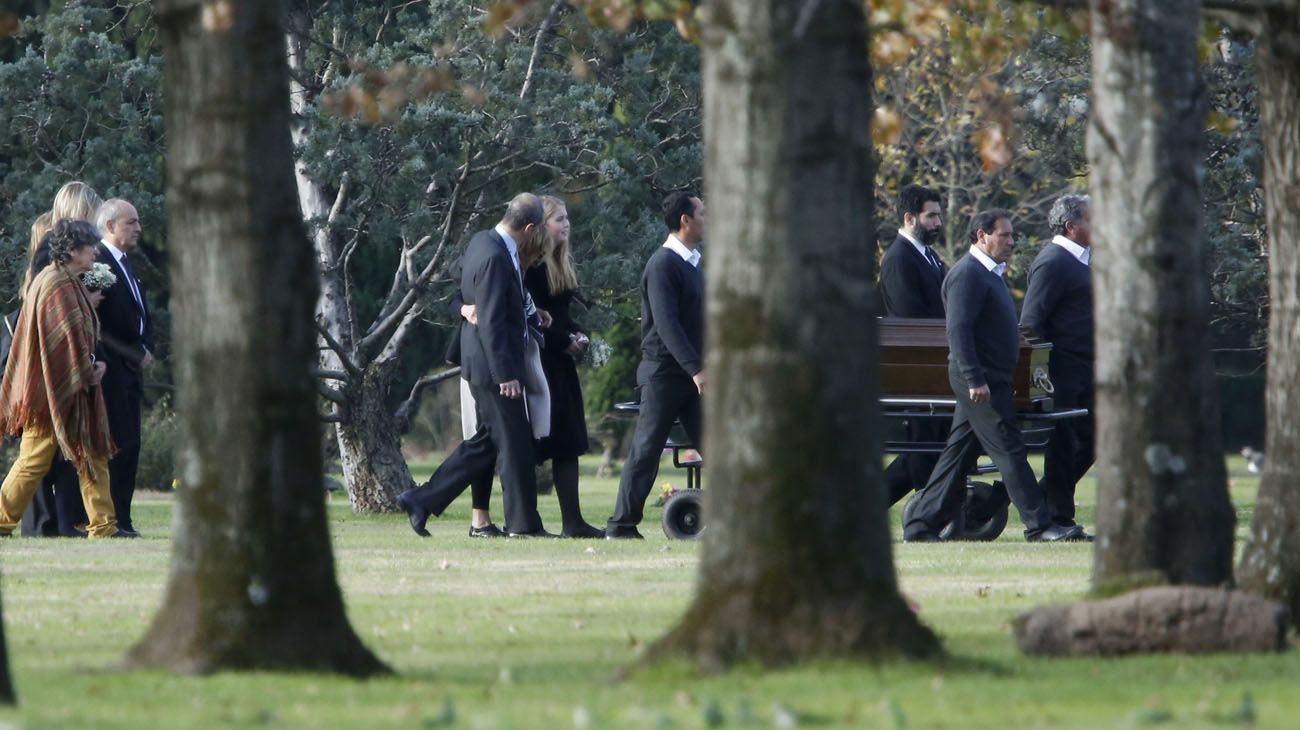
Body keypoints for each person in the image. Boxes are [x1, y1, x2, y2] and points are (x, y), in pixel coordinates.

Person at [902, 209, 1084, 543]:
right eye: (1005, 235)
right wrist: (974, 380)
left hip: (992, 379)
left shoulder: (989, 273)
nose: (1012, 242)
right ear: (981, 236)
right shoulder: (968, 274)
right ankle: (1040, 526)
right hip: (980, 381)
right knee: (1010, 450)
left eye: (1012, 235)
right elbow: (958, 333)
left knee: (957, 456)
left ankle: (920, 525)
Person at [397, 193, 551, 538]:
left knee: (487, 442)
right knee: (515, 447)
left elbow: (460, 280)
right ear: (528, 228)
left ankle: (421, 499)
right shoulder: (497, 256)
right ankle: (523, 526)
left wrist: (467, 306)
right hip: (492, 367)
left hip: (478, 362)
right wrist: (506, 374)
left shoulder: (482, 240)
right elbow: (493, 322)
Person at [0, 220, 120, 538]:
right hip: (51, 391)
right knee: (35, 460)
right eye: (89, 246)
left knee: (92, 452)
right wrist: (86, 368)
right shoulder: (57, 284)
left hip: (65, 387)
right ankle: (0, 519)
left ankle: (104, 525)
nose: (96, 250)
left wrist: (91, 364)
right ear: (71, 250)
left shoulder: (64, 280)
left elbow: (74, 339)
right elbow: (62, 342)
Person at [605, 191, 706, 540]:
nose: (708, 219)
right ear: (686, 221)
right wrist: (697, 368)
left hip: (691, 376)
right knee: (646, 451)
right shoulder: (663, 264)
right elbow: (667, 325)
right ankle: (621, 526)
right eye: (703, 213)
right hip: (665, 374)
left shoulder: (693, 262)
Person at [522, 196, 602, 537]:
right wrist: (561, 340)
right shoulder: (530, 266)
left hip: (561, 364)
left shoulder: (561, 266)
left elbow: (563, 316)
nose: (566, 224)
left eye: (567, 218)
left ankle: (574, 521)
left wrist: (580, 335)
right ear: (541, 226)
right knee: (533, 442)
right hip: (536, 360)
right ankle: (526, 520)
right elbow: (530, 315)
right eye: (559, 219)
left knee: (568, 443)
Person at [1020, 194, 1095, 538]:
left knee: (1094, 440)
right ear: (1072, 226)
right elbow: (1031, 322)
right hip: (1062, 368)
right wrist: (1041, 372)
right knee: (1064, 444)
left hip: (1086, 366)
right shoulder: (1053, 261)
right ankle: (1059, 518)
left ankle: (1047, 501)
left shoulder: (1082, 260)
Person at [878, 183, 949, 505]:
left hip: (933, 369)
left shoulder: (928, 256)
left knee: (926, 448)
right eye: (931, 216)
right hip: (919, 369)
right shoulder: (899, 259)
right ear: (910, 218)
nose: (938, 223)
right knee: (923, 446)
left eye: (939, 216)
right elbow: (911, 322)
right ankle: (926, 512)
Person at [94, 199, 153, 537]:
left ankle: (125, 518)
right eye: (131, 222)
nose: (138, 228)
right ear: (110, 226)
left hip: (131, 372)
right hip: (111, 372)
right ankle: (112, 519)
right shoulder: (97, 262)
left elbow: (141, 314)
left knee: (131, 444)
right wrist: (129, 352)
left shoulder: (126, 264)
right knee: (117, 444)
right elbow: (98, 323)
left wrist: (147, 347)